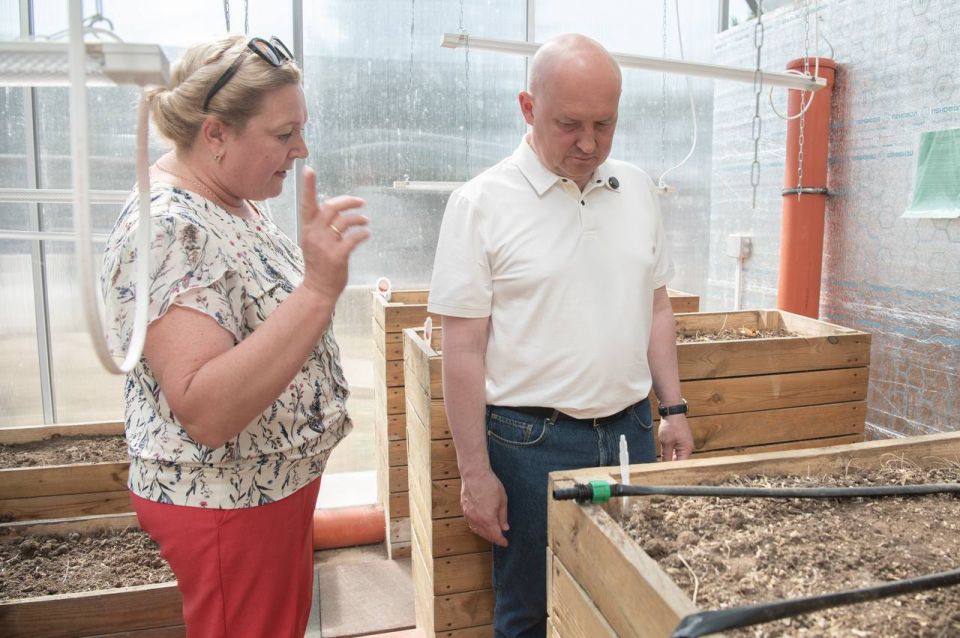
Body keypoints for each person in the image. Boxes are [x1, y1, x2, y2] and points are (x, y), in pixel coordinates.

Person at [426, 33, 695, 638]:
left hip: (631, 431)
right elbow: (463, 351)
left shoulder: (636, 189)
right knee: (528, 608)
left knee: (628, 596)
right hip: (529, 444)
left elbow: (654, 305)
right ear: (527, 108)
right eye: (569, 124)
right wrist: (475, 473)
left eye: (605, 123)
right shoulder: (481, 204)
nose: (589, 143)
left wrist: (672, 406)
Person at [100, 35, 369, 638]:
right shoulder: (169, 228)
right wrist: (319, 290)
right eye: (283, 134)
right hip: (226, 505)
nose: (300, 150)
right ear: (215, 133)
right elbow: (206, 409)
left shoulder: (234, 200)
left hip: (266, 491)